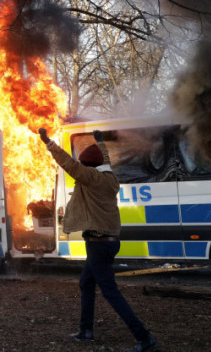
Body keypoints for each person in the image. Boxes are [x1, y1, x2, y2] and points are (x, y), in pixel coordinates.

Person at [39, 128, 159, 352]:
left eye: (86, 165)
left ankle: (144, 337)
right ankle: (86, 330)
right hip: (108, 241)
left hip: (98, 243)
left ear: (90, 168)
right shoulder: (109, 177)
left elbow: (70, 165)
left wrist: (49, 143)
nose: (82, 168)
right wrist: (100, 142)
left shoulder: (92, 178)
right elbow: (104, 160)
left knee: (110, 291)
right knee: (86, 283)